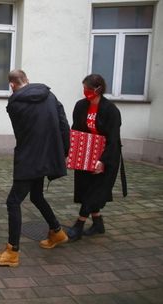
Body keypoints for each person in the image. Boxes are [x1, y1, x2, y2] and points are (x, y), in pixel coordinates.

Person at [0, 69, 70, 267]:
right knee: (36, 196)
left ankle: (12, 251)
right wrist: (62, 152)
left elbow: (22, 133)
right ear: (28, 80)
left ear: (12, 85)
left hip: (30, 158)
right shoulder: (50, 95)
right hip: (49, 155)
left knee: (13, 202)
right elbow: (64, 125)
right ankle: (57, 232)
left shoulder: (15, 103)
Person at [67, 74, 124, 241]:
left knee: (95, 191)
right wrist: (71, 154)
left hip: (107, 155)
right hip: (86, 154)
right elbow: (76, 131)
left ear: (98, 89)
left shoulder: (111, 110)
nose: (85, 92)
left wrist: (103, 161)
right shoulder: (80, 106)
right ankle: (98, 223)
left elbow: (113, 138)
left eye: (89, 89)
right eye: (84, 88)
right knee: (85, 189)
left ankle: (79, 225)